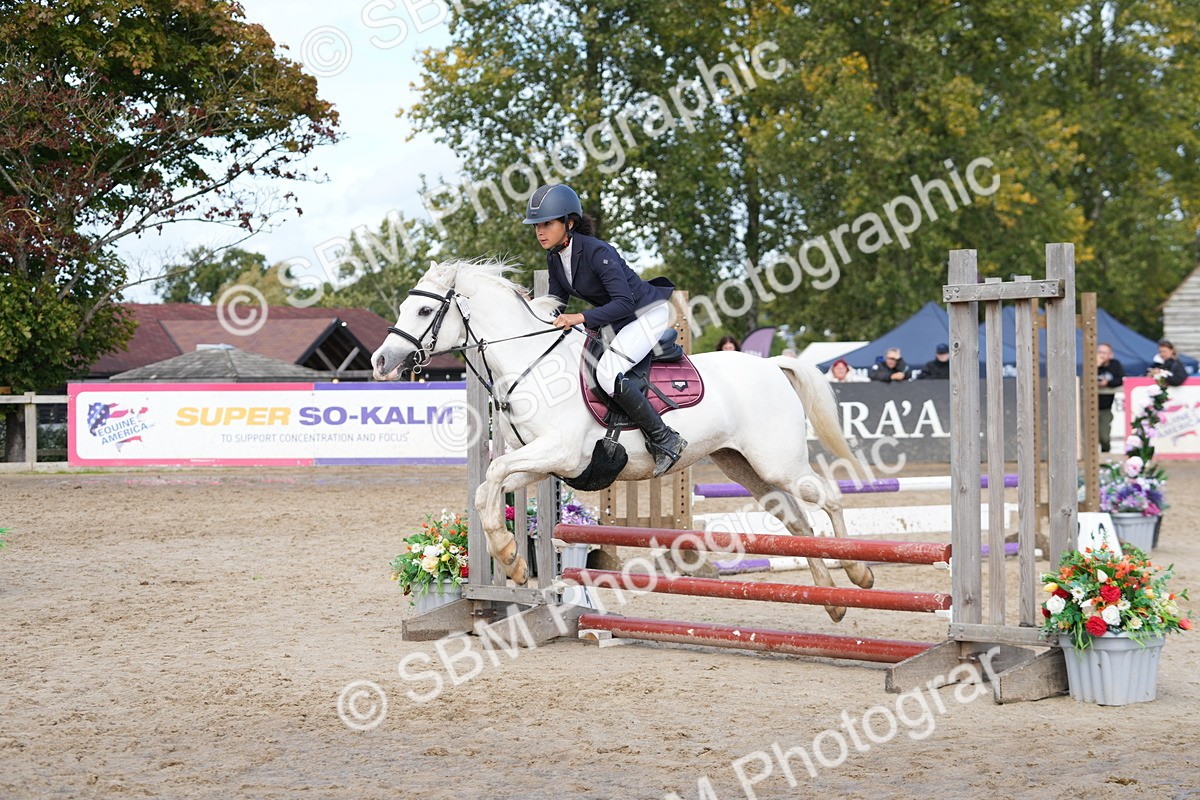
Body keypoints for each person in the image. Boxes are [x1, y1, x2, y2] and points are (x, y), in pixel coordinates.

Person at [524, 183, 685, 477]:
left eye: (547, 223)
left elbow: (624, 302)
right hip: (617, 320)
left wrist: (579, 318)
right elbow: (557, 305)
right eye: (537, 226)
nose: (540, 232)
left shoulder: (598, 251)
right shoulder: (555, 257)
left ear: (569, 223)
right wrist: (527, 307)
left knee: (608, 373)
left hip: (645, 314)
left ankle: (665, 439)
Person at [1096, 343, 1124, 453]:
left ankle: (1105, 454)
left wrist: (1108, 383)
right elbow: (1084, 380)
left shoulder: (1115, 365)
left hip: (1106, 407)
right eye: (1100, 352)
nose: (1101, 355)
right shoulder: (1092, 363)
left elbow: (1121, 379)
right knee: (1090, 436)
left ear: (1110, 355)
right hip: (1089, 407)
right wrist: (1096, 366)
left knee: (1104, 436)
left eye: (1104, 352)